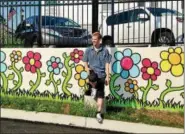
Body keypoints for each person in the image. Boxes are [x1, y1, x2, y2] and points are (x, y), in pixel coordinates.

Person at [83, 32, 111, 123]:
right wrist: (88, 71)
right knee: (92, 77)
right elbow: (85, 63)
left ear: (100, 40)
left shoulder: (105, 50)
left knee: (101, 94)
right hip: (92, 73)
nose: (93, 41)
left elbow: (107, 64)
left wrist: (107, 76)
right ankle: (93, 88)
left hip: (102, 75)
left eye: (95, 40)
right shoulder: (88, 50)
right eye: (92, 39)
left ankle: (98, 113)